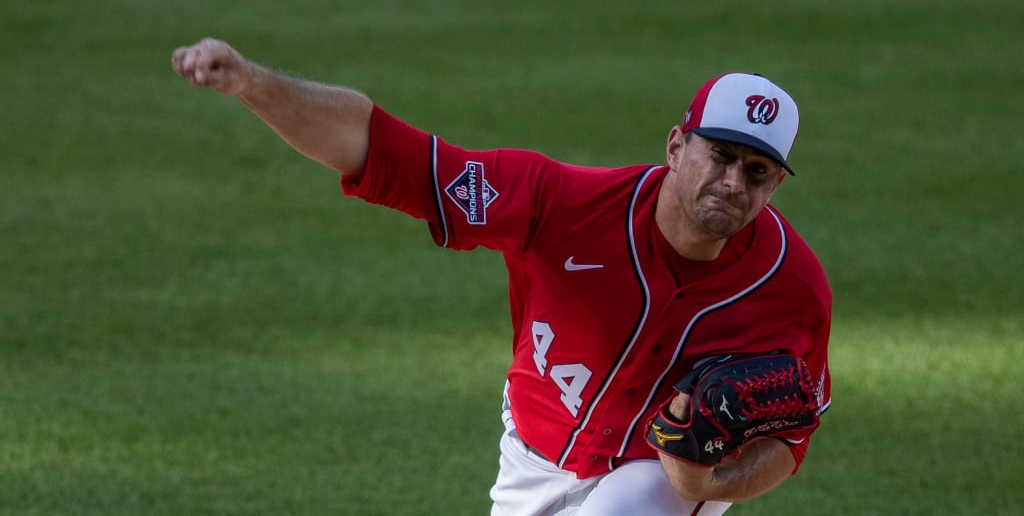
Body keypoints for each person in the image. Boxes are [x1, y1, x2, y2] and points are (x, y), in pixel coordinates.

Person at [171, 38, 832, 516]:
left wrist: (707, 484)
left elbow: (791, 439)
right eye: (720, 156)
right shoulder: (560, 203)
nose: (732, 182)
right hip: (532, 454)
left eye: (756, 172)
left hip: (653, 474)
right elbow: (383, 150)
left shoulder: (794, 291)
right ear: (676, 146)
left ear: (775, 183)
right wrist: (252, 82)